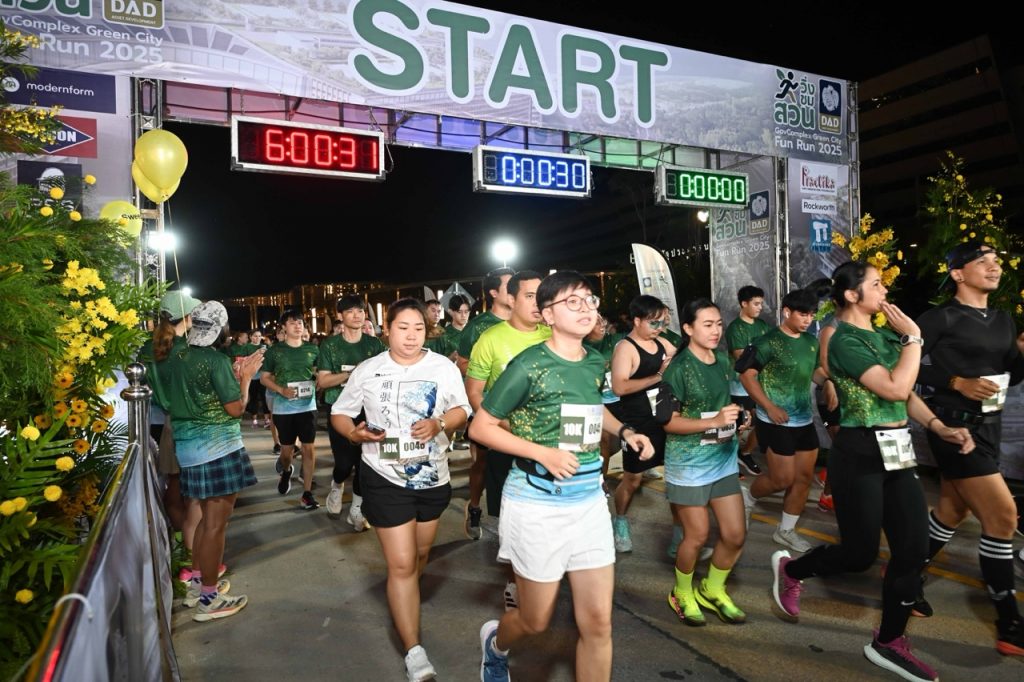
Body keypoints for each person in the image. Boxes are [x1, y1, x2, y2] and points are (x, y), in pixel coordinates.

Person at [770, 261, 974, 682]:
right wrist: (914, 338)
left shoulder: (883, 337)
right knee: (859, 555)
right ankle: (791, 570)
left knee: (912, 552)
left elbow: (906, 394)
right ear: (851, 295)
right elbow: (894, 387)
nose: (885, 291)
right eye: (877, 284)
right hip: (859, 452)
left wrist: (938, 426)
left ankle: (889, 641)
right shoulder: (844, 340)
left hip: (898, 452)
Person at [471, 270, 654, 682]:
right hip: (536, 504)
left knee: (599, 624)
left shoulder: (594, 361)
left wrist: (626, 431)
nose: (586, 308)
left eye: (590, 300)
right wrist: (543, 454)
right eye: (573, 301)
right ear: (548, 314)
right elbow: (481, 428)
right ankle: (496, 644)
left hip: (588, 503)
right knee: (535, 620)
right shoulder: (528, 365)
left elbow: (594, 407)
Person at [331, 298, 470, 682]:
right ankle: (414, 650)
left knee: (421, 554)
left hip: (432, 477)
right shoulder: (369, 369)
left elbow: (462, 409)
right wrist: (353, 433)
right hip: (383, 475)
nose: (411, 336)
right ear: (387, 329)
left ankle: (404, 591)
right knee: (403, 564)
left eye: (418, 328)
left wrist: (440, 423)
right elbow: (340, 412)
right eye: (403, 328)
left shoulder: (442, 367)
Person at [914, 241, 1024, 655]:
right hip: (953, 430)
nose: (994, 267)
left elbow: (1011, 375)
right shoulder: (939, 317)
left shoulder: (1004, 320)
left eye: (996, 261)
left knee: (952, 510)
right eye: (983, 262)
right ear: (958, 273)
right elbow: (905, 365)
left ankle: (906, 573)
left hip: (990, 426)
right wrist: (955, 382)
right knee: (1003, 516)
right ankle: (1009, 623)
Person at [164, 300, 264, 622]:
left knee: (204, 522)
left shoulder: (178, 354)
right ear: (221, 329)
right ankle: (209, 598)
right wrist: (245, 378)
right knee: (214, 525)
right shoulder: (216, 360)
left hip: (189, 449)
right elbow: (236, 409)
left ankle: (198, 586)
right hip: (219, 448)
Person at [663, 298, 749, 626]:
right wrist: (714, 421)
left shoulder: (723, 361)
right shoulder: (678, 369)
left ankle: (712, 588)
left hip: (722, 458)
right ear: (688, 328)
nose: (716, 331)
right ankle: (681, 592)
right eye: (707, 325)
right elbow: (668, 422)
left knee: (735, 534)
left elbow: (722, 405)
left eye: (719, 324)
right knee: (697, 536)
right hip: (688, 465)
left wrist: (738, 418)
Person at [739, 288, 828, 553]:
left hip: (804, 420)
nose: (808, 319)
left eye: (812, 314)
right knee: (782, 479)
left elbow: (815, 372)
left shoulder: (811, 342)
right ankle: (748, 496)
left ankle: (785, 531)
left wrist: (831, 382)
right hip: (775, 421)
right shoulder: (767, 341)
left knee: (803, 478)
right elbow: (746, 376)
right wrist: (769, 406)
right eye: (803, 314)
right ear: (787, 312)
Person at [465, 270, 550, 543]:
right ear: (511, 299)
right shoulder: (489, 338)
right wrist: (502, 424)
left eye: (541, 296)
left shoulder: (554, 334)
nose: (538, 303)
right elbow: (474, 392)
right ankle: (476, 509)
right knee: (511, 516)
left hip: (549, 437)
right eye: (530, 296)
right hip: (505, 436)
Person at [608, 295, 674, 552]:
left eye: (662, 323)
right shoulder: (626, 348)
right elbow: (619, 387)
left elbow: (681, 360)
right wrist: (658, 376)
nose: (658, 328)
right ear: (637, 321)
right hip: (636, 422)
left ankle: (681, 534)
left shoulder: (661, 342)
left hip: (664, 418)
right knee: (632, 479)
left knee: (676, 476)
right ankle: (621, 521)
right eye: (653, 323)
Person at [316, 295, 386, 527]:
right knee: (344, 463)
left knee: (364, 463)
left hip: (369, 409)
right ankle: (337, 485)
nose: (357, 316)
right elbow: (323, 381)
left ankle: (357, 507)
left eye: (360, 311)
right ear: (340, 316)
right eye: (350, 311)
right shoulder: (330, 345)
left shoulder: (374, 345)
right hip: (340, 410)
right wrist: (353, 374)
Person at [456, 268, 514, 538]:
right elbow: (463, 363)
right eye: (509, 285)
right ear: (493, 292)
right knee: (482, 462)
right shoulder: (478, 327)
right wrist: (488, 376)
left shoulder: (530, 321)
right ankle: (475, 506)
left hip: (520, 412)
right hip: (487, 407)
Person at [261, 311, 321, 510]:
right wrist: (281, 390)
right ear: (283, 328)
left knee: (308, 448)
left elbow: (317, 372)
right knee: (286, 452)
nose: (298, 326)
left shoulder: (312, 349)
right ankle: (286, 471)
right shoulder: (275, 351)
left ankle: (307, 493)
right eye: (293, 323)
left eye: (301, 323)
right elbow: (264, 378)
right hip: (283, 408)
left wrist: (317, 380)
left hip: (308, 406)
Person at [725, 285, 771, 476]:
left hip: (762, 383)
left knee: (763, 421)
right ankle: (728, 462)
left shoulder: (763, 325)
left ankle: (745, 453)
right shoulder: (735, 328)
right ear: (744, 304)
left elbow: (771, 350)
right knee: (738, 425)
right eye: (756, 303)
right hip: (740, 386)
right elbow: (741, 358)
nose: (760, 307)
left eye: (761, 303)